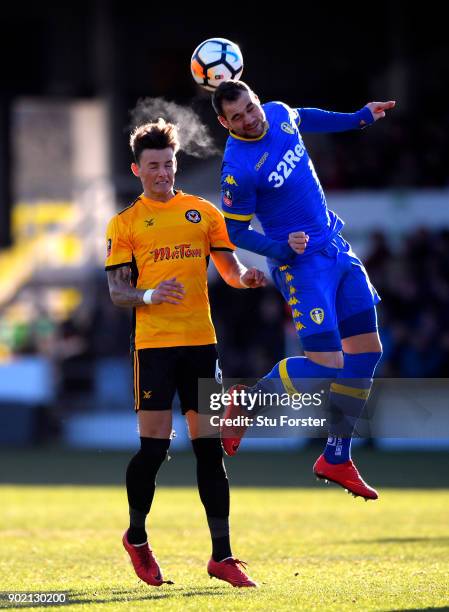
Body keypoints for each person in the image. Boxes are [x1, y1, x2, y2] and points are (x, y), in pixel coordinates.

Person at [212, 80, 396, 501]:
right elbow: (234, 229)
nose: (249, 119)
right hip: (301, 267)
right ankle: (249, 399)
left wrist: (358, 118)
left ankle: (336, 457)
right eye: (237, 117)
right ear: (225, 122)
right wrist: (279, 248)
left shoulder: (277, 112)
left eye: (250, 108)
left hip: (336, 250)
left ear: (257, 100)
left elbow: (303, 117)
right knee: (330, 363)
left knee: (367, 352)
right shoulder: (237, 169)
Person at [105, 118, 266, 587]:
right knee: (153, 451)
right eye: (153, 166)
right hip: (154, 348)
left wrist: (245, 279)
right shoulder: (125, 223)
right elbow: (118, 292)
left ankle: (223, 557)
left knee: (209, 451)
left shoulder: (202, 212)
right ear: (137, 169)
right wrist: (151, 296)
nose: (162, 173)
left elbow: (229, 269)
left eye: (168, 164)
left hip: (201, 343)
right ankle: (136, 538)